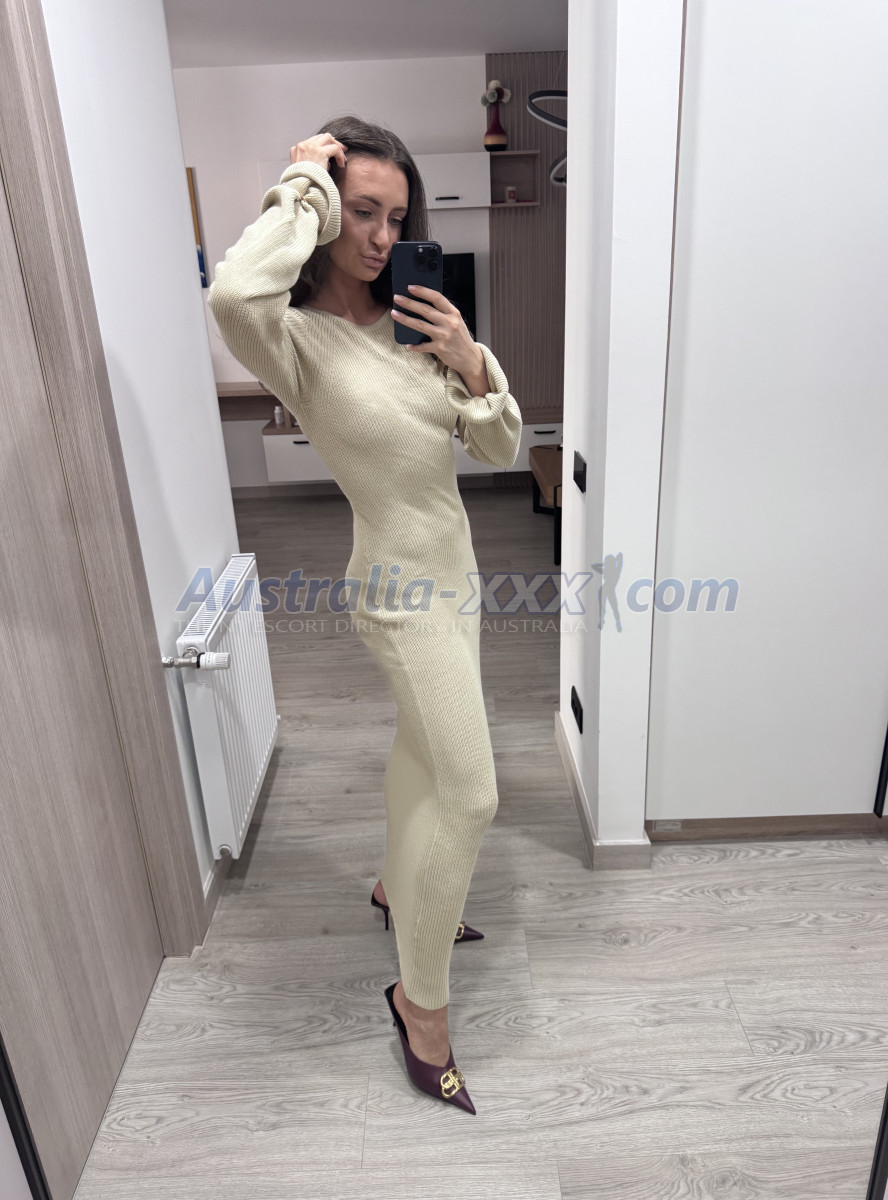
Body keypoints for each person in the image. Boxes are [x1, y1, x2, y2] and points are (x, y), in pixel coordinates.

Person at [208, 115, 522, 1114]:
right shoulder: (293, 341)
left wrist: (471, 362)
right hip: (396, 590)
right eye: (363, 211)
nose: (383, 236)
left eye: (397, 217)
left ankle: (397, 888)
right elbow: (232, 293)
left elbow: (499, 451)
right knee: (471, 794)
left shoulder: (418, 327)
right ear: (327, 212)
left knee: (423, 756)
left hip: (456, 577)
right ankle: (418, 1004)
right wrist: (304, 182)